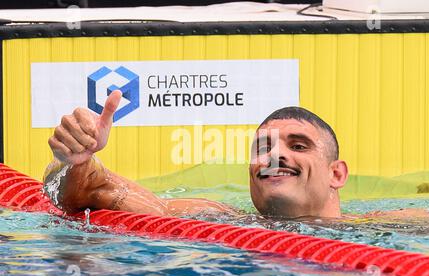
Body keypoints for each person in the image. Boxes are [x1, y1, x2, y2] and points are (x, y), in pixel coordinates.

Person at [43, 90, 349, 219]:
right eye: (263, 148)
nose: (273, 156)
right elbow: (89, 189)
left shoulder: (386, 228)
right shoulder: (217, 219)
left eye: (298, 146)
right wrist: (73, 160)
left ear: (337, 174)